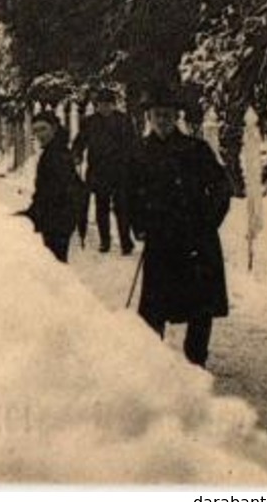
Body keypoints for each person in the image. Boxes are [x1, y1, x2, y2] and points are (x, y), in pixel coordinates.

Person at [128, 87, 233, 368]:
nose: (162, 120)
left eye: (168, 115)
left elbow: (222, 187)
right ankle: (151, 365)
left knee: (200, 306)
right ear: (148, 117)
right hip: (161, 241)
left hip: (196, 241)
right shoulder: (139, 152)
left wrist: (208, 222)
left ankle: (195, 362)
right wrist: (138, 224)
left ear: (177, 117)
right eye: (156, 115)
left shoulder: (196, 150)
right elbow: (126, 193)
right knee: (154, 308)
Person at [70, 88, 140, 254]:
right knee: (101, 207)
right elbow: (80, 141)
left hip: (120, 170)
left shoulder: (123, 121)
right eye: (102, 104)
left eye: (108, 104)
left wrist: (133, 163)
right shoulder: (90, 122)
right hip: (99, 171)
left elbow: (133, 144)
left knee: (122, 207)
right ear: (97, 106)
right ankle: (105, 241)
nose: (105, 108)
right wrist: (77, 154)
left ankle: (125, 241)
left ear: (114, 105)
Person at [21, 110, 86, 262]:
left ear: (54, 128)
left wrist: (40, 214)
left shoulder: (57, 154)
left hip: (57, 220)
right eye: (36, 130)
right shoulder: (53, 151)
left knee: (54, 265)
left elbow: (60, 190)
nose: (39, 135)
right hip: (55, 218)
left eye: (43, 129)